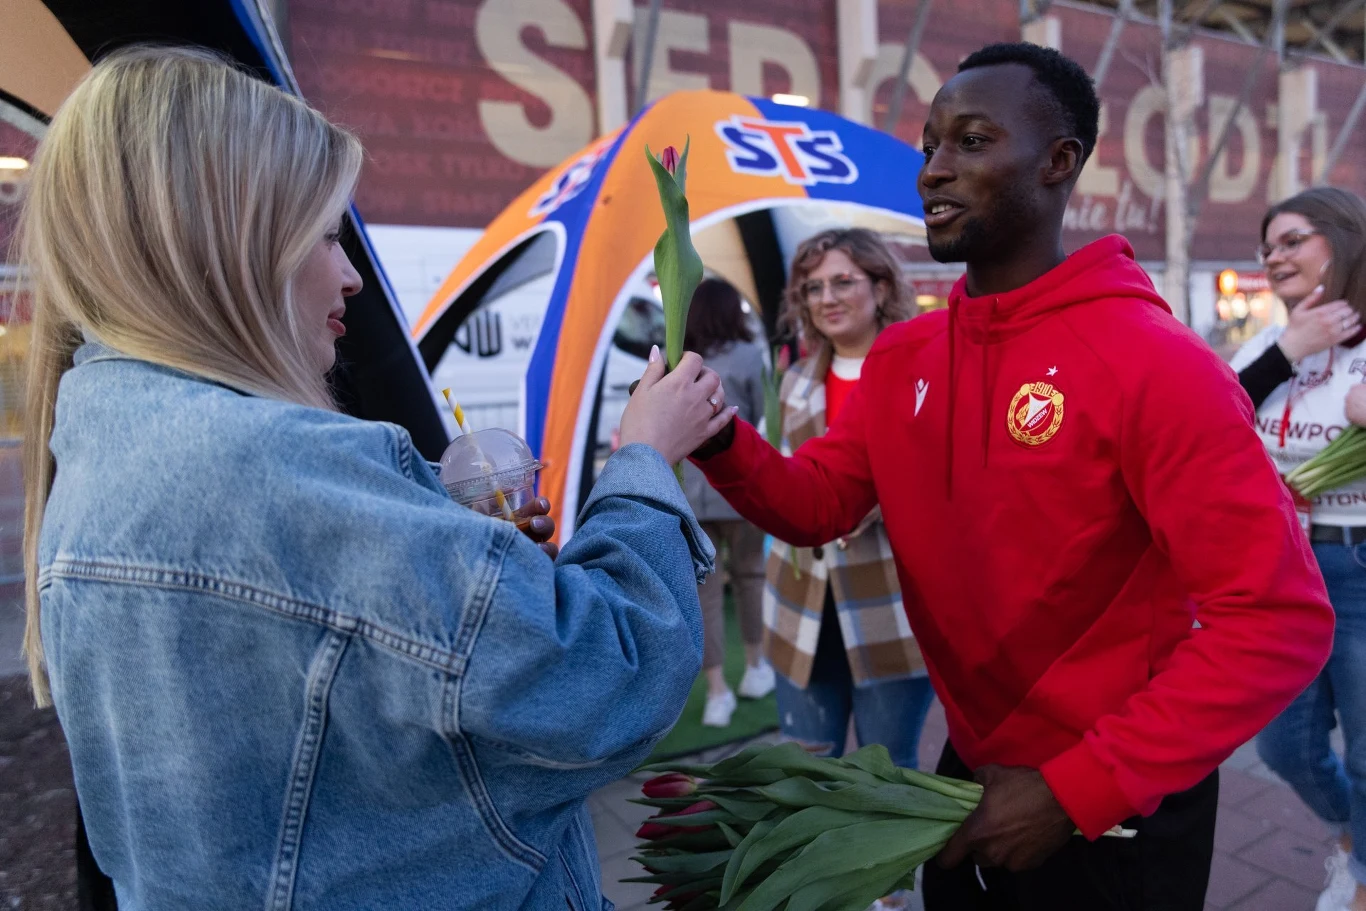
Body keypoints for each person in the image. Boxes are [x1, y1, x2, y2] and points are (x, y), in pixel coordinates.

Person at [18, 47, 735, 911]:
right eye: (326, 234)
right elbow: (610, 676)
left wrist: (465, 560)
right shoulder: (278, 468)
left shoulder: (95, 449)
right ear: (234, 241)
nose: (351, 274)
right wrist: (644, 459)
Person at [669, 42, 1334, 909]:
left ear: (1060, 161)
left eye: (972, 141)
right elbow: (819, 502)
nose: (933, 169)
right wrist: (714, 427)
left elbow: (1277, 620)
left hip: (1120, 795)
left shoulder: (1158, 364)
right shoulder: (904, 357)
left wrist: (1077, 788)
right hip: (971, 777)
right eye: (930, 145)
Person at [1230, 186, 1366, 911]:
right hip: (1282, 571)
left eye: (1291, 240)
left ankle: (1364, 878)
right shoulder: (1263, 346)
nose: (1273, 256)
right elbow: (1209, 426)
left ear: (1341, 241)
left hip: (1358, 565)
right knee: (1284, 746)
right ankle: (1352, 834)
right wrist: (1289, 352)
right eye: (1267, 246)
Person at [761, 228, 933, 772]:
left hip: (891, 603)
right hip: (802, 607)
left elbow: (946, 477)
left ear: (881, 288)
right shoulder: (793, 382)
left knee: (889, 774)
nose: (827, 298)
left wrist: (867, 502)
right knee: (805, 771)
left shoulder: (920, 371)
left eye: (842, 282)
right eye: (813, 288)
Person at [680, 278, 773, 728]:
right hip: (739, 487)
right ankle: (756, 668)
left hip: (691, 492)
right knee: (751, 578)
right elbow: (764, 416)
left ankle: (717, 692)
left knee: (706, 593)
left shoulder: (679, 360)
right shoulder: (751, 356)